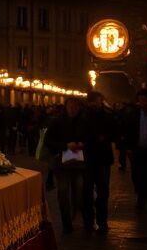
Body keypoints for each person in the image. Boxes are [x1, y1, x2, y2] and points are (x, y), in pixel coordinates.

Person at [45, 96, 89, 234]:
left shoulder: (84, 122)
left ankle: (78, 214)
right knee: (63, 193)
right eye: (70, 106)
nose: (73, 109)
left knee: (79, 191)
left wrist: (83, 144)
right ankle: (66, 224)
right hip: (62, 163)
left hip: (79, 164)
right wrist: (65, 145)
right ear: (66, 106)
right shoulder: (57, 122)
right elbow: (48, 141)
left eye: (76, 106)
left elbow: (90, 138)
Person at [83, 91, 120, 232]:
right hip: (87, 159)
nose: (94, 104)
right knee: (87, 191)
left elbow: (115, 133)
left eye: (97, 101)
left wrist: (105, 137)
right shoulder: (83, 116)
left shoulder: (108, 116)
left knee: (103, 190)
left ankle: (102, 221)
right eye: (92, 102)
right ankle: (88, 221)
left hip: (103, 158)